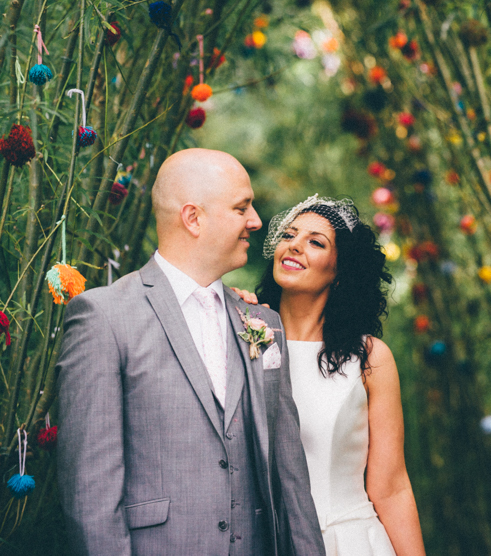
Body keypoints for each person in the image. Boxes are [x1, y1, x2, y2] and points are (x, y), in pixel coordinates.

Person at [56, 149, 325, 556]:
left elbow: (290, 480)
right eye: (241, 208)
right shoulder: (104, 318)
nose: (256, 221)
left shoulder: (262, 325)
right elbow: (90, 496)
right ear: (193, 218)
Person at [238, 194, 426, 556]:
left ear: (340, 271)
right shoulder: (244, 337)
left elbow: (391, 487)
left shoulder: (370, 358)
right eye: (290, 235)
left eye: (315, 242)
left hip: (350, 542)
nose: (294, 246)